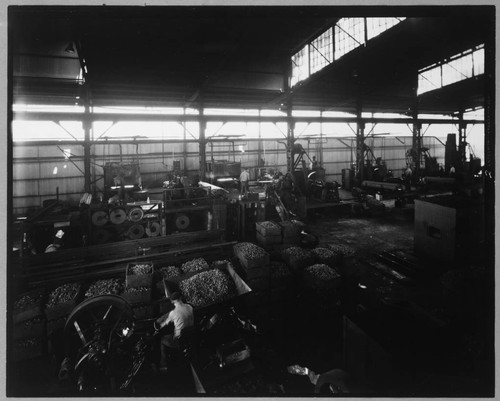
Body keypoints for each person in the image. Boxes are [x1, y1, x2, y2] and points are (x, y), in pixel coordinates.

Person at [155, 292, 194, 371]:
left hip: (179, 339)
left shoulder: (173, 313)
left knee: (162, 340)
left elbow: (164, 323)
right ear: (181, 298)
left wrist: (157, 329)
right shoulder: (190, 307)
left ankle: (163, 363)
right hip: (191, 335)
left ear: (172, 301)